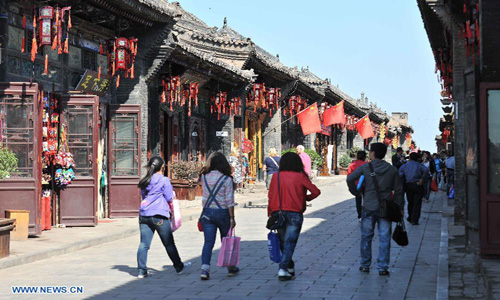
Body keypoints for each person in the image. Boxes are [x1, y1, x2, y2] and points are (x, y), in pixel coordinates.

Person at [346, 143, 404, 276]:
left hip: (368, 207)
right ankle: (382, 266)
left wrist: (356, 192)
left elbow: (350, 178)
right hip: (386, 208)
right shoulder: (392, 169)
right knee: (384, 237)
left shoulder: (366, 167)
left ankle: (365, 264)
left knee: (366, 237)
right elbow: (399, 191)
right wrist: (400, 207)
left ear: (372, 153)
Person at [268, 152, 321, 281]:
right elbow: (316, 191)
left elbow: (271, 195)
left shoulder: (276, 176)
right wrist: (305, 198)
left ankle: (288, 266)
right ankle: (284, 267)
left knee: (282, 241)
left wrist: (270, 212)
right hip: (295, 213)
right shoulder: (300, 176)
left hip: (278, 212)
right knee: (290, 242)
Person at [137, 156, 191, 278]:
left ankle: (141, 270)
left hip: (144, 214)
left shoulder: (145, 180)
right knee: (168, 243)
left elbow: (143, 195)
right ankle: (179, 266)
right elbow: (168, 197)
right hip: (159, 215)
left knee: (144, 244)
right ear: (162, 167)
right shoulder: (164, 180)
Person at [199, 152, 239, 280]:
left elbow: (198, 184)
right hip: (222, 213)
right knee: (225, 241)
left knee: (208, 242)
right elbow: (229, 200)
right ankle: (230, 267)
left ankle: (204, 270)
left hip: (207, 212)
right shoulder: (226, 179)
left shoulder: (203, 177)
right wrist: (232, 217)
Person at [399, 152, 429, 225]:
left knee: (410, 202)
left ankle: (410, 216)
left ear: (409, 158)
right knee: (417, 203)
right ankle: (414, 220)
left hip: (408, 185)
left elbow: (400, 173)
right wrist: (422, 179)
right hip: (418, 185)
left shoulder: (405, 165)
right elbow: (426, 170)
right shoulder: (419, 165)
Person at [347, 151, 367, 221]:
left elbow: (349, 176)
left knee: (358, 200)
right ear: (364, 157)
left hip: (356, 185)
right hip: (366, 185)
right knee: (366, 200)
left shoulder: (352, 165)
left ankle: (360, 216)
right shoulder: (367, 164)